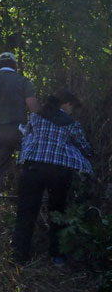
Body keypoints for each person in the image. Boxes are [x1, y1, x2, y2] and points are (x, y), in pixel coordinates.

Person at [12, 89, 92, 265]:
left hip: (32, 168)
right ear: (67, 104)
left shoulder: (36, 117)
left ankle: (19, 257)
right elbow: (84, 147)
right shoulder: (70, 122)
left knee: (26, 213)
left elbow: (26, 136)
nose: (73, 111)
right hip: (58, 172)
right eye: (73, 107)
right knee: (57, 211)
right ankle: (57, 256)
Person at [0, 52, 40, 228]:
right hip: (18, 132)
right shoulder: (22, 81)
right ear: (15, 65)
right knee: (30, 171)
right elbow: (33, 108)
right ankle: (29, 219)